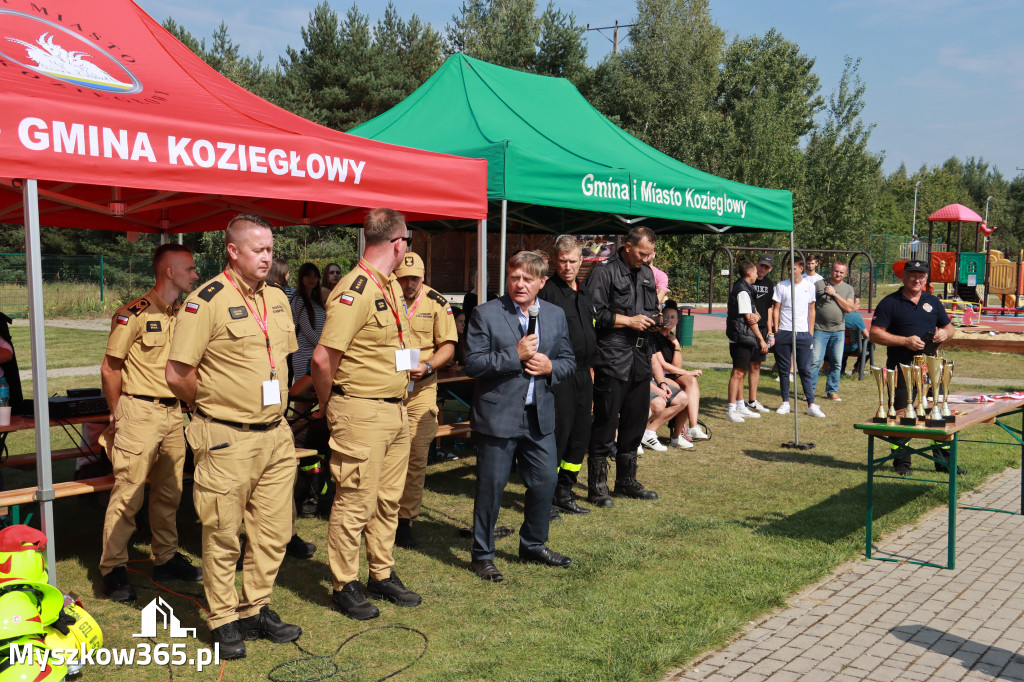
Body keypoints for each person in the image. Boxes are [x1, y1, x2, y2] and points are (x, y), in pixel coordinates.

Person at [166, 214, 302, 659]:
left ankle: (254, 606)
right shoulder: (205, 302)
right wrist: (209, 408)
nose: (267, 257)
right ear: (233, 251)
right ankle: (223, 619)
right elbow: (177, 373)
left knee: (274, 530)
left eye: (270, 249)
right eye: (258, 250)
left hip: (276, 435)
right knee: (223, 531)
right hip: (228, 438)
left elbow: (280, 360)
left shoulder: (279, 298)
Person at [310, 208, 420, 621]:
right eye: (406, 241)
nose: (407, 247)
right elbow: (322, 359)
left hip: (394, 409)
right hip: (361, 411)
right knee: (355, 500)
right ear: (397, 243)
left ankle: (381, 571)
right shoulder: (353, 289)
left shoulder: (387, 285)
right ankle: (344, 583)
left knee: (388, 500)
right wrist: (329, 404)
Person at [98, 243, 201, 603]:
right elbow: (111, 368)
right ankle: (113, 568)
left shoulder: (184, 312)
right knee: (129, 492)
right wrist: (117, 411)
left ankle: (167, 558)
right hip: (139, 412)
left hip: (175, 414)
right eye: (189, 268)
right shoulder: (134, 313)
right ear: (169, 272)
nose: (195, 274)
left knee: (170, 491)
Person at [464, 251, 576, 582]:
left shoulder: (555, 315)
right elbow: (473, 363)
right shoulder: (486, 314)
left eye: (528, 279)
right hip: (498, 415)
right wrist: (514, 355)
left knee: (545, 480)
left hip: (539, 415)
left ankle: (533, 544)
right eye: (514, 277)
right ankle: (482, 554)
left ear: (542, 282)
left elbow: (569, 359)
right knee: (492, 486)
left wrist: (551, 366)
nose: (520, 284)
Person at [586, 227, 661, 507]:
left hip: (641, 355)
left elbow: (651, 307)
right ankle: (597, 486)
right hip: (612, 353)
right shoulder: (604, 271)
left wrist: (658, 319)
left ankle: (626, 482)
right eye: (642, 253)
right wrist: (628, 321)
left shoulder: (646, 273)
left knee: (636, 418)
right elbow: (593, 314)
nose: (646, 258)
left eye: (650, 254)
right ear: (627, 246)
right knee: (606, 419)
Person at [394, 252, 458, 549]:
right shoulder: (385, 295)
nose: (409, 283)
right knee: (387, 456)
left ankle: (405, 519)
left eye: (414, 278)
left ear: (423, 276)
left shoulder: (436, 302)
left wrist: (429, 365)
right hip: (386, 387)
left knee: (416, 455)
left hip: (421, 389)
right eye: (403, 277)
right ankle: (381, 515)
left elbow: (448, 347)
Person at [869, 259, 954, 475]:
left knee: (937, 414)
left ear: (926, 279)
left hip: (930, 369)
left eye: (921, 276)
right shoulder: (890, 302)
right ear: (904, 276)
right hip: (901, 369)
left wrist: (945, 333)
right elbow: (875, 333)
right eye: (913, 275)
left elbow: (949, 327)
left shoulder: (933, 301)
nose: (917, 279)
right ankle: (901, 464)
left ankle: (944, 465)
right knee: (901, 416)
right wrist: (904, 341)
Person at [538, 235, 597, 515]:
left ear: (581, 261)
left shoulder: (584, 293)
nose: (568, 266)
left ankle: (565, 490)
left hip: (584, 375)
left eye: (573, 261)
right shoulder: (547, 292)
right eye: (562, 261)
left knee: (579, 435)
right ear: (554, 262)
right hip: (558, 374)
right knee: (558, 435)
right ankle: (545, 495)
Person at [772, 256, 825, 418]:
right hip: (784, 332)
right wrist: (776, 331)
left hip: (803, 334)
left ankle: (811, 404)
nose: (790, 271)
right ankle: (785, 402)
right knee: (784, 369)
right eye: (788, 268)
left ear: (801, 269)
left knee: (805, 369)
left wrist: (810, 333)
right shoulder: (781, 286)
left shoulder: (809, 287)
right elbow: (775, 310)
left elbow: (812, 310)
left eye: (793, 268)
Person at [726, 262, 768, 423]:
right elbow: (749, 319)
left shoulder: (746, 290)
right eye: (756, 272)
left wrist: (757, 316)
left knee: (742, 372)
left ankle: (740, 406)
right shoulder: (742, 291)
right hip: (740, 336)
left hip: (744, 336)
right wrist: (760, 339)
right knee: (737, 373)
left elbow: (754, 314)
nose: (758, 274)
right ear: (749, 273)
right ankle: (731, 409)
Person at [811, 262, 857, 401]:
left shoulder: (848, 288)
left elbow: (849, 308)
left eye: (841, 272)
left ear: (845, 274)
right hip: (819, 329)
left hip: (838, 330)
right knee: (815, 361)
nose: (838, 274)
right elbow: (810, 304)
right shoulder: (818, 284)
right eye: (836, 271)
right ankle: (809, 390)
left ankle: (832, 390)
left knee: (836, 362)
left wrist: (834, 293)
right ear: (831, 270)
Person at [746, 254, 776, 413]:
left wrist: (770, 330)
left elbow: (770, 307)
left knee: (756, 365)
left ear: (770, 269)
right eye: (761, 265)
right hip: (746, 327)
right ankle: (737, 402)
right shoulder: (747, 280)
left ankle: (752, 400)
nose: (762, 269)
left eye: (766, 267)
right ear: (756, 264)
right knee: (742, 366)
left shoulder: (769, 284)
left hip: (763, 327)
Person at [290, 263, 326, 382]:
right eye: (308, 276)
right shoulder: (298, 299)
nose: (312, 279)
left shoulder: (316, 301)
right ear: (301, 278)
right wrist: (324, 347)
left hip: (318, 354)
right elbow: (307, 330)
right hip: (304, 356)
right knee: (304, 398)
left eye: (315, 276)